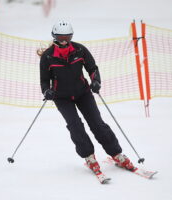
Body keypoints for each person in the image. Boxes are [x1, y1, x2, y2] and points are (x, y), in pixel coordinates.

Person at [39, 20, 134, 174]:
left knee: (97, 123)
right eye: (61, 38)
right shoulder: (48, 56)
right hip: (62, 97)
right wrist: (46, 91)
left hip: (83, 93)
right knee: (75, 126)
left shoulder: (79, 50)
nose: (64, 41)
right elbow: (44, 80)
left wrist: (96, 81)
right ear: (54, 37)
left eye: (68, 37)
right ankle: (89, 156)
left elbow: (92, 68)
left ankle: (116, 154)